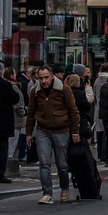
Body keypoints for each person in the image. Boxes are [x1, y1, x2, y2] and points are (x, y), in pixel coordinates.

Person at [25, 66, 81, 204]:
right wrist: (29, 132)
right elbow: (31, 112)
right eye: (41, 78)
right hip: (42, 130)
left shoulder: (63, 89)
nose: (44, 81)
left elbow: (73, 111)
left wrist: (75, 131)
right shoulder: (35, 91)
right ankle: (47, 193)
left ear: (52, 76)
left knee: (62, 164)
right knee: (44, 163)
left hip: (61, 130)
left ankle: (64, 188)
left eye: (46, 77)